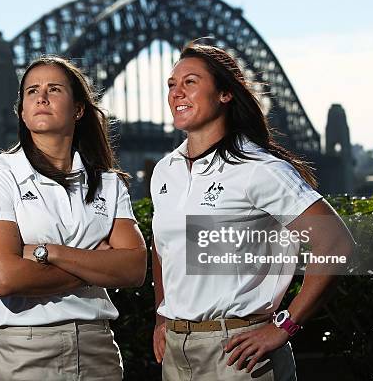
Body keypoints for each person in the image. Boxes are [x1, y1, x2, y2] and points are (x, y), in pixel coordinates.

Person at [150, 42, 354, 380]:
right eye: (172, 84)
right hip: (176, 352)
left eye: (190, 82)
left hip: (239, 353)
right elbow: (163, 248)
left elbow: (336, 244)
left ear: (225, 94)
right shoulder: (165, 170)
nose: (176, 92)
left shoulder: (259, 168)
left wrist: (285, 326)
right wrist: (161, 318)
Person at [0, 56, 147, 380]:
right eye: (32, 91)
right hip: (25, 350)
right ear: (22, 111)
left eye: (54, 89)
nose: (41, 97)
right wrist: (97, 267)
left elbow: (134, 268)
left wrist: (51, 253)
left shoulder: (107, 182)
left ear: (78, 109)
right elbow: (5, 278)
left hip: (98, 346)